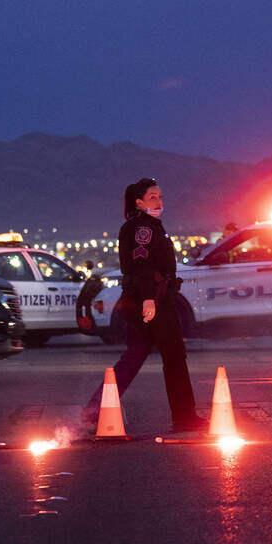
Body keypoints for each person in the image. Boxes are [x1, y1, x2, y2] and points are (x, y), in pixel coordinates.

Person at [82, 178, 207, 434]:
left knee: (135, 355)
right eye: (153, 197)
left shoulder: (142, 226)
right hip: (155, 302)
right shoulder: (144, 229)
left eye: (160, 196)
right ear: (139, 202)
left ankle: (94, 411)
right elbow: (142, 266)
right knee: (173, 357)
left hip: (143, 300)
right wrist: (150, 299)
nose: (159, 201)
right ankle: (185, 417)